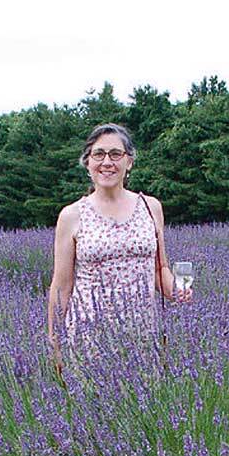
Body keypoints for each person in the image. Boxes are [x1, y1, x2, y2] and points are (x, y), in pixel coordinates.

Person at [47, 122, 191, 373]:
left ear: (129, 162)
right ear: (88, 163)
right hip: (89, 339)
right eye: (98, 154)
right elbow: (61, 287)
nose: (107, 162)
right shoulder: (72, 215)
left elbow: (161, 268)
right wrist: (55, 344)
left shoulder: (151, 207)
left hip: (143, 338)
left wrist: (177, 290)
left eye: (116, 154)